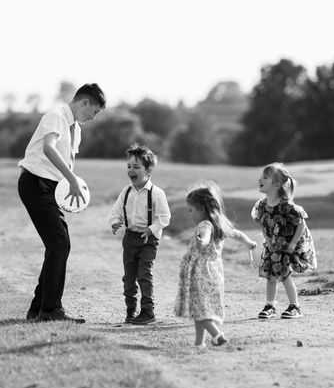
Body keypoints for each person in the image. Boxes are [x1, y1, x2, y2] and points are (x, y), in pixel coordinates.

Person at [18, 83, 106, 323]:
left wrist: (67, 191)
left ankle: (38, 308)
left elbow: (66, 161)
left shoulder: (75, 128)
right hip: (35, 184)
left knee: (59, 243)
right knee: (59, 242)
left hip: (49, 188)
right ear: (84, 102)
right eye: (94, 111)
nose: (93, 117)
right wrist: (72, 180)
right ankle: (50, 310)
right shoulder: (57, 116)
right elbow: (49, 148)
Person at [174, 183, 257, 347]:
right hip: (214, 272)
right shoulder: (221, 225)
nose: (190, 214)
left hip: (200, 272)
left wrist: (202, 240)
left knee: (199, 309)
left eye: (191, 210)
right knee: (200, 308)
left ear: (202, 209)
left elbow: (205, 235)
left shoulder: (205, 225)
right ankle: (199, 343)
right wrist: (249, 243)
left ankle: (217, 335)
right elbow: (237, 234)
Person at [109, 144, 170, 325]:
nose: (131, 170)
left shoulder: (157, 193)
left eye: (136, 167)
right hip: (130, 239)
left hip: (148, 240)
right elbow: (116, 211)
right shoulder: (126, 192)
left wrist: (150, 229)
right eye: (129, 167)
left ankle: (147, 311)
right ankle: (130, 310)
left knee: (144, 274)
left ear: (149, 170)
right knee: (129, 277)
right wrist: (114, 223)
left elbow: (165, 217)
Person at [252, 162, 317, 320]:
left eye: (265, 178)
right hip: (272, 247)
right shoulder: (262, 206)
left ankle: (295, 306)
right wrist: (266, 240)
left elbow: (301, 224)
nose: (260, 179)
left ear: (275, 184)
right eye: (261, 177)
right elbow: (264, 223)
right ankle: (270, 305)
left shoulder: (287, 207)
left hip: (286, 247)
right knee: (270, 276)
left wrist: (294, 243)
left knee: (285, 275)